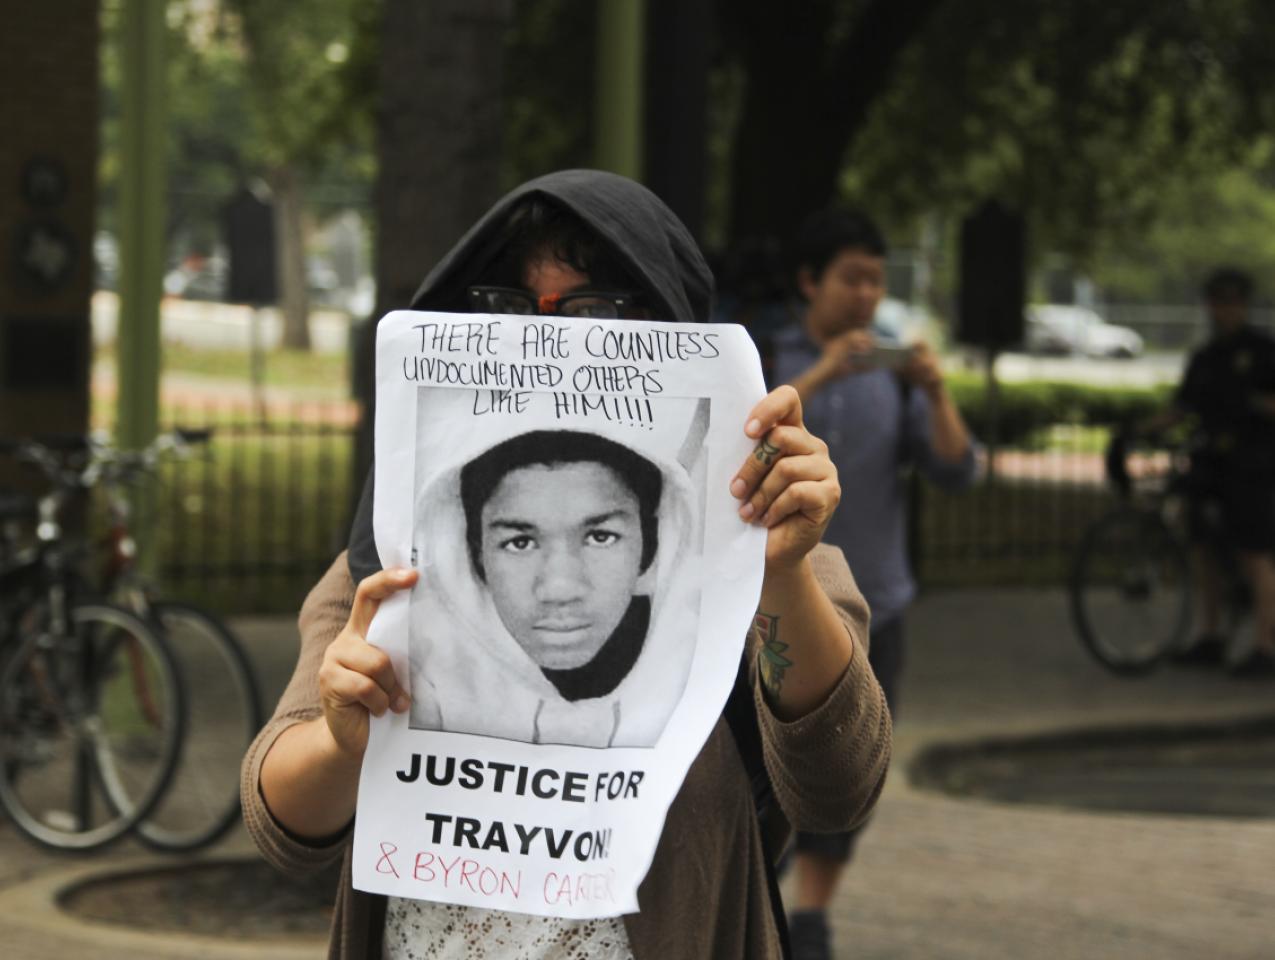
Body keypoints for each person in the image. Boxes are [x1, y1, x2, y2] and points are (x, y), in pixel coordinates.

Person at [242, 170, 892, 959]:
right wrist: (340, 745)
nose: (544, 342)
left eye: (596, 311)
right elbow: (283, 827)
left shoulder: (777, 573)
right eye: (505, 309)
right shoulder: (381, 579)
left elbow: (838, 787)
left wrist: (779, 572)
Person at [771, 207, 977, 960]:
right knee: (767, 758)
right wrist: (825, 370)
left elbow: (957, 469)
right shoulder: (769, 355)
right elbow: (734, 439)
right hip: (774, 603)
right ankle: (762, 894)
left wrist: (934, 391)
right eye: (850, 278)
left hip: (876, 599)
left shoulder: (894, 377)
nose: (864, 295)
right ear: (810, 282)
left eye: (875, 281)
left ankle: (814, 919)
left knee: (847, 758)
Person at [408, 427, 699, 746]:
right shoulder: (413, 678)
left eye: (600, 538)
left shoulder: (711, 661)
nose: (560, 590)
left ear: (651, 550)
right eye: (520, 543)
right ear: (475, 557)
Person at [1151, 268, 1275, 675]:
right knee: (1203, 547)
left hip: (1253, 462)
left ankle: (1265, 646)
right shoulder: (1205, 357)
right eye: (1218, 303)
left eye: (1232, 302)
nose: (1225, 311)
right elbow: (1181, 407)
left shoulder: (1262, 351)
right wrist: (1141, 430)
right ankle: (1210, 636)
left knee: (1253, 552)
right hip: (1211, 462)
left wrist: (1253, 404)